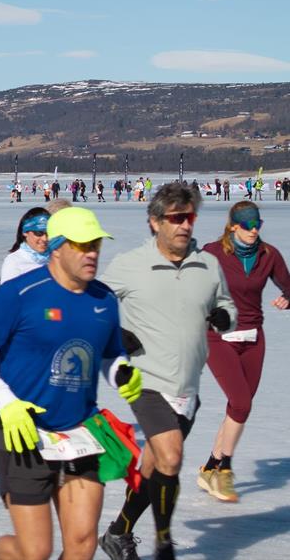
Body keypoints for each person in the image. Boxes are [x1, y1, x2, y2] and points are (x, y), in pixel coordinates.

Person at [0, 207, 144, 560]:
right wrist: (6, 402)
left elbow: (109, 353)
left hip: (80, 433)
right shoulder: (21, 293)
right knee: (35, 552)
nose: (92, 252)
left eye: (96, 244)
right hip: (24, 433)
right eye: (82, 245)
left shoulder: (103, 300)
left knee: (81, 548)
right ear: (57, 247)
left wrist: (121, 372)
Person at [99, 182, 237, 560]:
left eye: (189, 217)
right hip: (147, 381)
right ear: (155, 223)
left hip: (187, 385)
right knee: (172, 458)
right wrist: (117, 334)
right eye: (176, 218)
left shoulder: (207, 265)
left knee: (156, 464)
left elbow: (224, 303)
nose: (185, 226)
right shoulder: (130, 265)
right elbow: (94, 303)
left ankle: (118, 532)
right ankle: (164, 545)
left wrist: (225, 316)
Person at [196, 202, 290, 502]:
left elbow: (289, 287)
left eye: (257, 224)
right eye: (247, 225)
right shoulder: (212, 253)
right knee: (240, 403)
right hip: (219, 338)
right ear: (233, 226)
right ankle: (224, 469)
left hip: (253, 338)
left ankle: (209, 467)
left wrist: (288, 298)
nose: (253, 230)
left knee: (239, 407)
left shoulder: (268, 255)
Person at [0, 208, 50, 285]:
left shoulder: (57, 258)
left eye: (49, 233)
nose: (45, 239)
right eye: (39, 233)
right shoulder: (14, 261)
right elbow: (7, 295)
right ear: (25, 232)